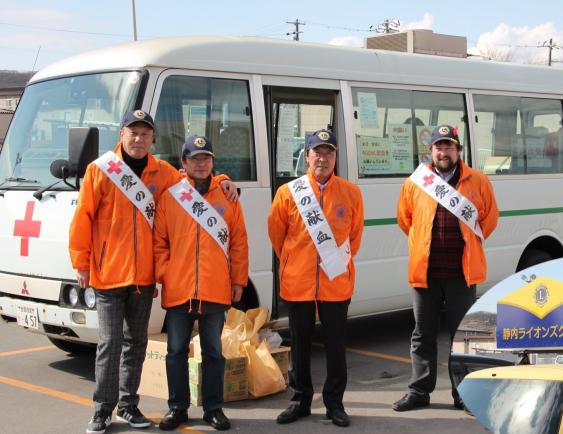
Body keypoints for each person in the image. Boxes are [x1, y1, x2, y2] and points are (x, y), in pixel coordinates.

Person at [69, 110, 238, 434]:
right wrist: (81, 263)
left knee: (136, 345)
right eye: (133, 132)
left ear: (153, 139)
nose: (138, 138)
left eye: (145, 134)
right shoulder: (100, 171)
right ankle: (102, 410)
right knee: (110, 343)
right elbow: (82, 220)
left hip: (143, 278)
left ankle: (129, 406)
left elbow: (198, 180)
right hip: (107, 274)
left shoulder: (164, 174)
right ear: (121, 135)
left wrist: (223, 179)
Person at [393, 124, 499, 412]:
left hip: (461, 273)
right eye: (439, 146)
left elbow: (488, 219)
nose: (443, 151)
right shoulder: (417, 182)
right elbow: (406, 220)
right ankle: (419, 391)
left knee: (462, 337)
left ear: (458, 150)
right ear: (431, 151)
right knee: (422, 334)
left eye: (449, 146)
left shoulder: (477, 180)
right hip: (425, 273)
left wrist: (469, 247)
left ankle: (462, 393)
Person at [268, 129, 364, 428]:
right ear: (306, 155)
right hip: (298, 283)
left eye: (329, 152)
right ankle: (299, 401)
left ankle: (335, 403)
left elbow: (355, 236)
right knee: (300, 344)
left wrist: (334, 264)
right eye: (317, 152)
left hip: (336, 283)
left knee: (336, 346)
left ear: (335, 157)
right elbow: (277, 235)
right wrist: (297, 262)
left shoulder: (350, 192)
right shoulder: (288, 192)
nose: (323, 158)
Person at [154, 135, 248, 431]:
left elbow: (239, 243)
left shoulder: (227, 197)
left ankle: (214, 408)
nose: (201, 163)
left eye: (206, 158)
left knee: (213, 353)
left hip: (215, 287)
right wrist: (166, 273)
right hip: (180, 288)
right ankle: (177, 407)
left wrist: (238, 281)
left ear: (213, 162)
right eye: (194, 158)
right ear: (183, 163)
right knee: (176, 351)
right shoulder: (171, 197)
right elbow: (159, 243)